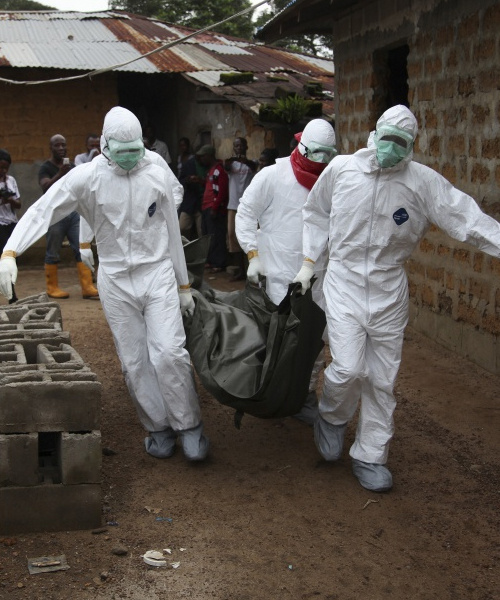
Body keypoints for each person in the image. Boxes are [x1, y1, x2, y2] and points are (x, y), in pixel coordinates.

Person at [293, 104, 500, 492]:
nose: (392, 148)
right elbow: (316, 212)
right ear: (375, 135)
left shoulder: (421, 183)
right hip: (344, 281)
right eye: (387, 139)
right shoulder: (342, 171)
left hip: (389, 288)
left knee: (382, 379)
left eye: (401, 143)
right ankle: (333, 417)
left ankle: (371, 455)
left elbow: (466, 219)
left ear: (411, 146)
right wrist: (309, 262)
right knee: (349, 368)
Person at [0, 106, 209, 462]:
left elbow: (173, 228)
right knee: (134, 360)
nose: (130, 160)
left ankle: (189, 426)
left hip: (156, 272)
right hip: (115, 278)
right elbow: (44, 210)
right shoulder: (87, 177)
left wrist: (183, 285)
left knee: (169, 353)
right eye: (122, 153)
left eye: (135, 151)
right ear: (105, 146)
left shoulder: (156, 169)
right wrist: (10, 251)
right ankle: (158, 426)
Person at [236, 119, 337, 425]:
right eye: (314, 155)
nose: (319, 163)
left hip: (317, 275)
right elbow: (245, 214)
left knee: (312, 341)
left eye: (326, 157)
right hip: (277, 276)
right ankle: (270, 394)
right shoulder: (272, 176)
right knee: (275, 339)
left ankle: (304, 396)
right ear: (300, 146)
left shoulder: (333, 181)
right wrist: (252, 255)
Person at [38, 134, 98, 300]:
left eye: (63, 145)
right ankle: (52, 287)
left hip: (72, 213)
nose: (61, 148)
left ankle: (87, 287)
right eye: (57, 145)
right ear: (51, 148)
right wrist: (60, 174)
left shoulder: (71, 166)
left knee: (81, 247)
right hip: (55, 213)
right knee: (53, 250)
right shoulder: (46, 167)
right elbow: (45, 187)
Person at [225, 137, 257, 281]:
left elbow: (253, 167)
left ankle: (250, 269)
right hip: (233, 206)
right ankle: (239, 270)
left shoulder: (251, 164)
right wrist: (234, 159)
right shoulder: (231, 164)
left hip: (247, 206)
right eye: (235, 146)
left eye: (240, 146)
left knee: (248, 236)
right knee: (232, 235)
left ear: (246, 147)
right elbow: (226, 165)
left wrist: (244, 161)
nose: (238, 148)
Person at [199, 145, 229, 272]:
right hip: (206, 207)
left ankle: (219, 263)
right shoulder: (210, 170)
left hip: (214, 208)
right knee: (209, 235)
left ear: (209, 156)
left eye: (203, 156)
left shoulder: (218, 170)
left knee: (217, 236)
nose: (201, 159)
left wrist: (215, 208)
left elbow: (222, 190)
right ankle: (211, 261)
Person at [0, 149, 20, 303]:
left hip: (11, 225)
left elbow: (18, 204)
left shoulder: (11, 180)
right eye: (1, 167)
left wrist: (10, 199)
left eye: (6, 167)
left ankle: (11, 294)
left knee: (11, 260)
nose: (3, 170)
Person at [178, 153, 207, 240]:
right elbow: (180, 181)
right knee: (182, 227)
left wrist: (200, 180)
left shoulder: (207, 164)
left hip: (202, 202)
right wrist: (188, 180)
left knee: (201, 231)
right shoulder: (189, 164)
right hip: (189, 201)